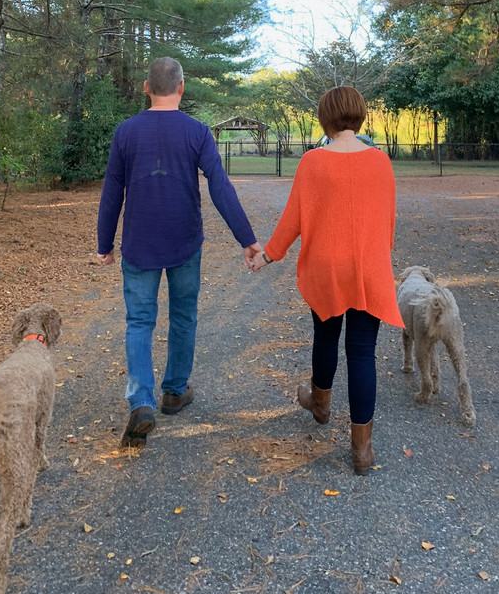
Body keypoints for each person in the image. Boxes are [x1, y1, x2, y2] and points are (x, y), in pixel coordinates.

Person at [96, 57, 262, 447]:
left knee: (139, 322)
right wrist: (247, 239)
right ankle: (174, 391)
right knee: (183, 316)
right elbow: (220, 187)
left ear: (146, 88)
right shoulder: (197, 132)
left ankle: (141, 402)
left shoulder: (126, 132)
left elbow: (111, 191)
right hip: (185, 242)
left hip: (139, 244)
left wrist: (105, 244)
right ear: (181, 88)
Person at [251, 85, 402, 474]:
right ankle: (362, 451)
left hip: (327, 267)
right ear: (359, 116)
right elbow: (388, 223)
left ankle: (320, 405)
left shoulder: (312, 162)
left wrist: (268, 255)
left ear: (325, 118)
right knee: (362, 352)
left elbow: (294, 218)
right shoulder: (381, 162)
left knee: (326, 336)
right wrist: (373, 254)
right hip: (368, 268)